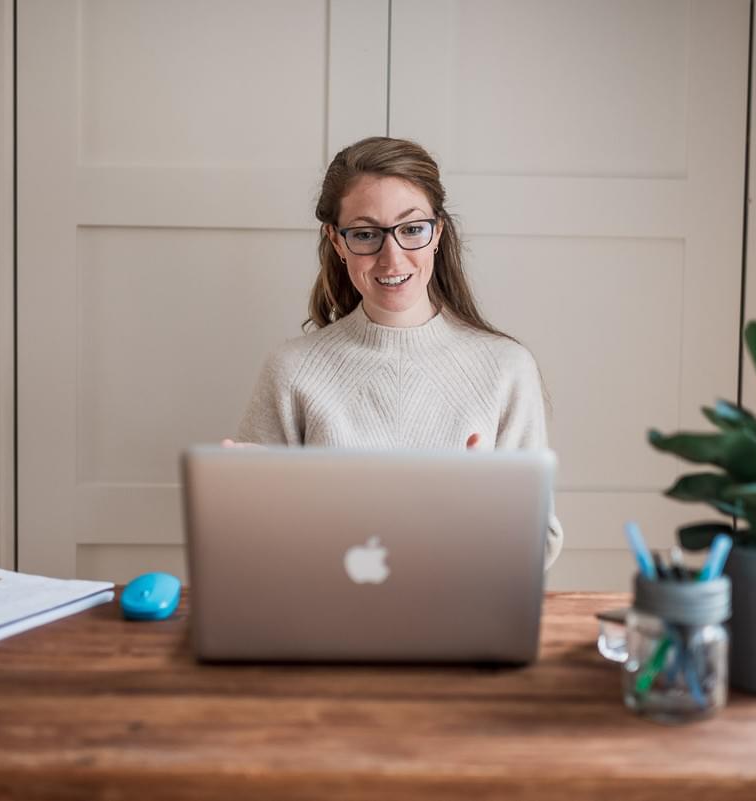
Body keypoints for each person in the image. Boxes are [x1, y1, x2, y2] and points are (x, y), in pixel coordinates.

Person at [227, 136, 563, 568]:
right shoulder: (292, 369)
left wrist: (492, 505)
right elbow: (251, 543)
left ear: (437, 231)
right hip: (323, 617)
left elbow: (540, 545)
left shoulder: (505, 368)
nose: (392, 258)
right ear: (336, 240)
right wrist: (242, 499)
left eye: (411, 230)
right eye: (366, 234)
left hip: (458, 621)